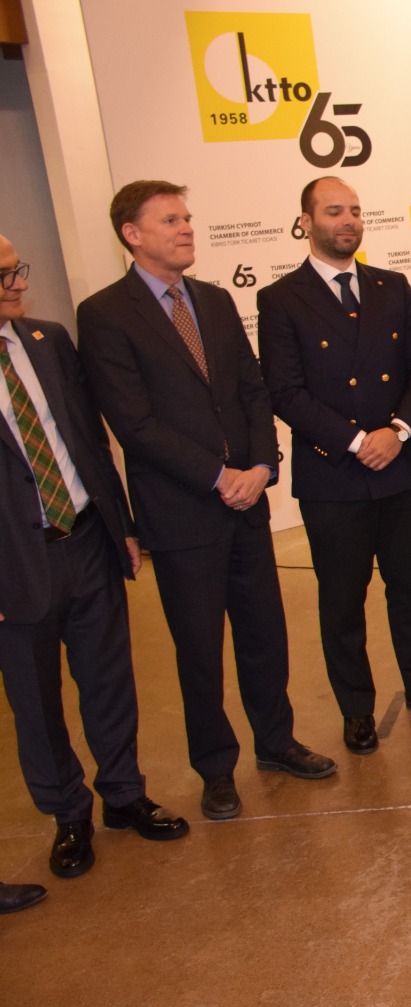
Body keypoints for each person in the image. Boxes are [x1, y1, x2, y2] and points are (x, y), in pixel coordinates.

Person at [76, 182, 336, 822]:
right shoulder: (105, 314)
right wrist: (218, 476)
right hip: (182, 512)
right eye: (170, 220)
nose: (187, 228)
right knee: (199, 650)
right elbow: (133, 423)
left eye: (187, 217)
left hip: (247, 501)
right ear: (132, 234)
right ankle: (216, 768)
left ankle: (276, 743)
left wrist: (262, 466)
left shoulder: (214, 301)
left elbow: (253, 391)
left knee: (264, 634)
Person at [0, 232, 188, 880]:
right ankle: (68, 815)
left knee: (109, 681)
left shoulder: (47, 341)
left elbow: (88, 439)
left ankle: (124, 794)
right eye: (4, 275)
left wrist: (122, 527)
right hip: (14, 565)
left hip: (86, 540)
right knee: (36, 704)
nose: (20, 283)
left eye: (17, 269)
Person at [257, 177, 411, 756]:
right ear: (306, 221)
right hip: (334, 477)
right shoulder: (280, 299)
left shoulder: (391, 286)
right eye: (333, 211)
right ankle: (357, 710)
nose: (347, 220)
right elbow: (284, 391)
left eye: (353, 210)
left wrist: (397, 431)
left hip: (402, 467)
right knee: (342, 602)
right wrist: (355, 441)